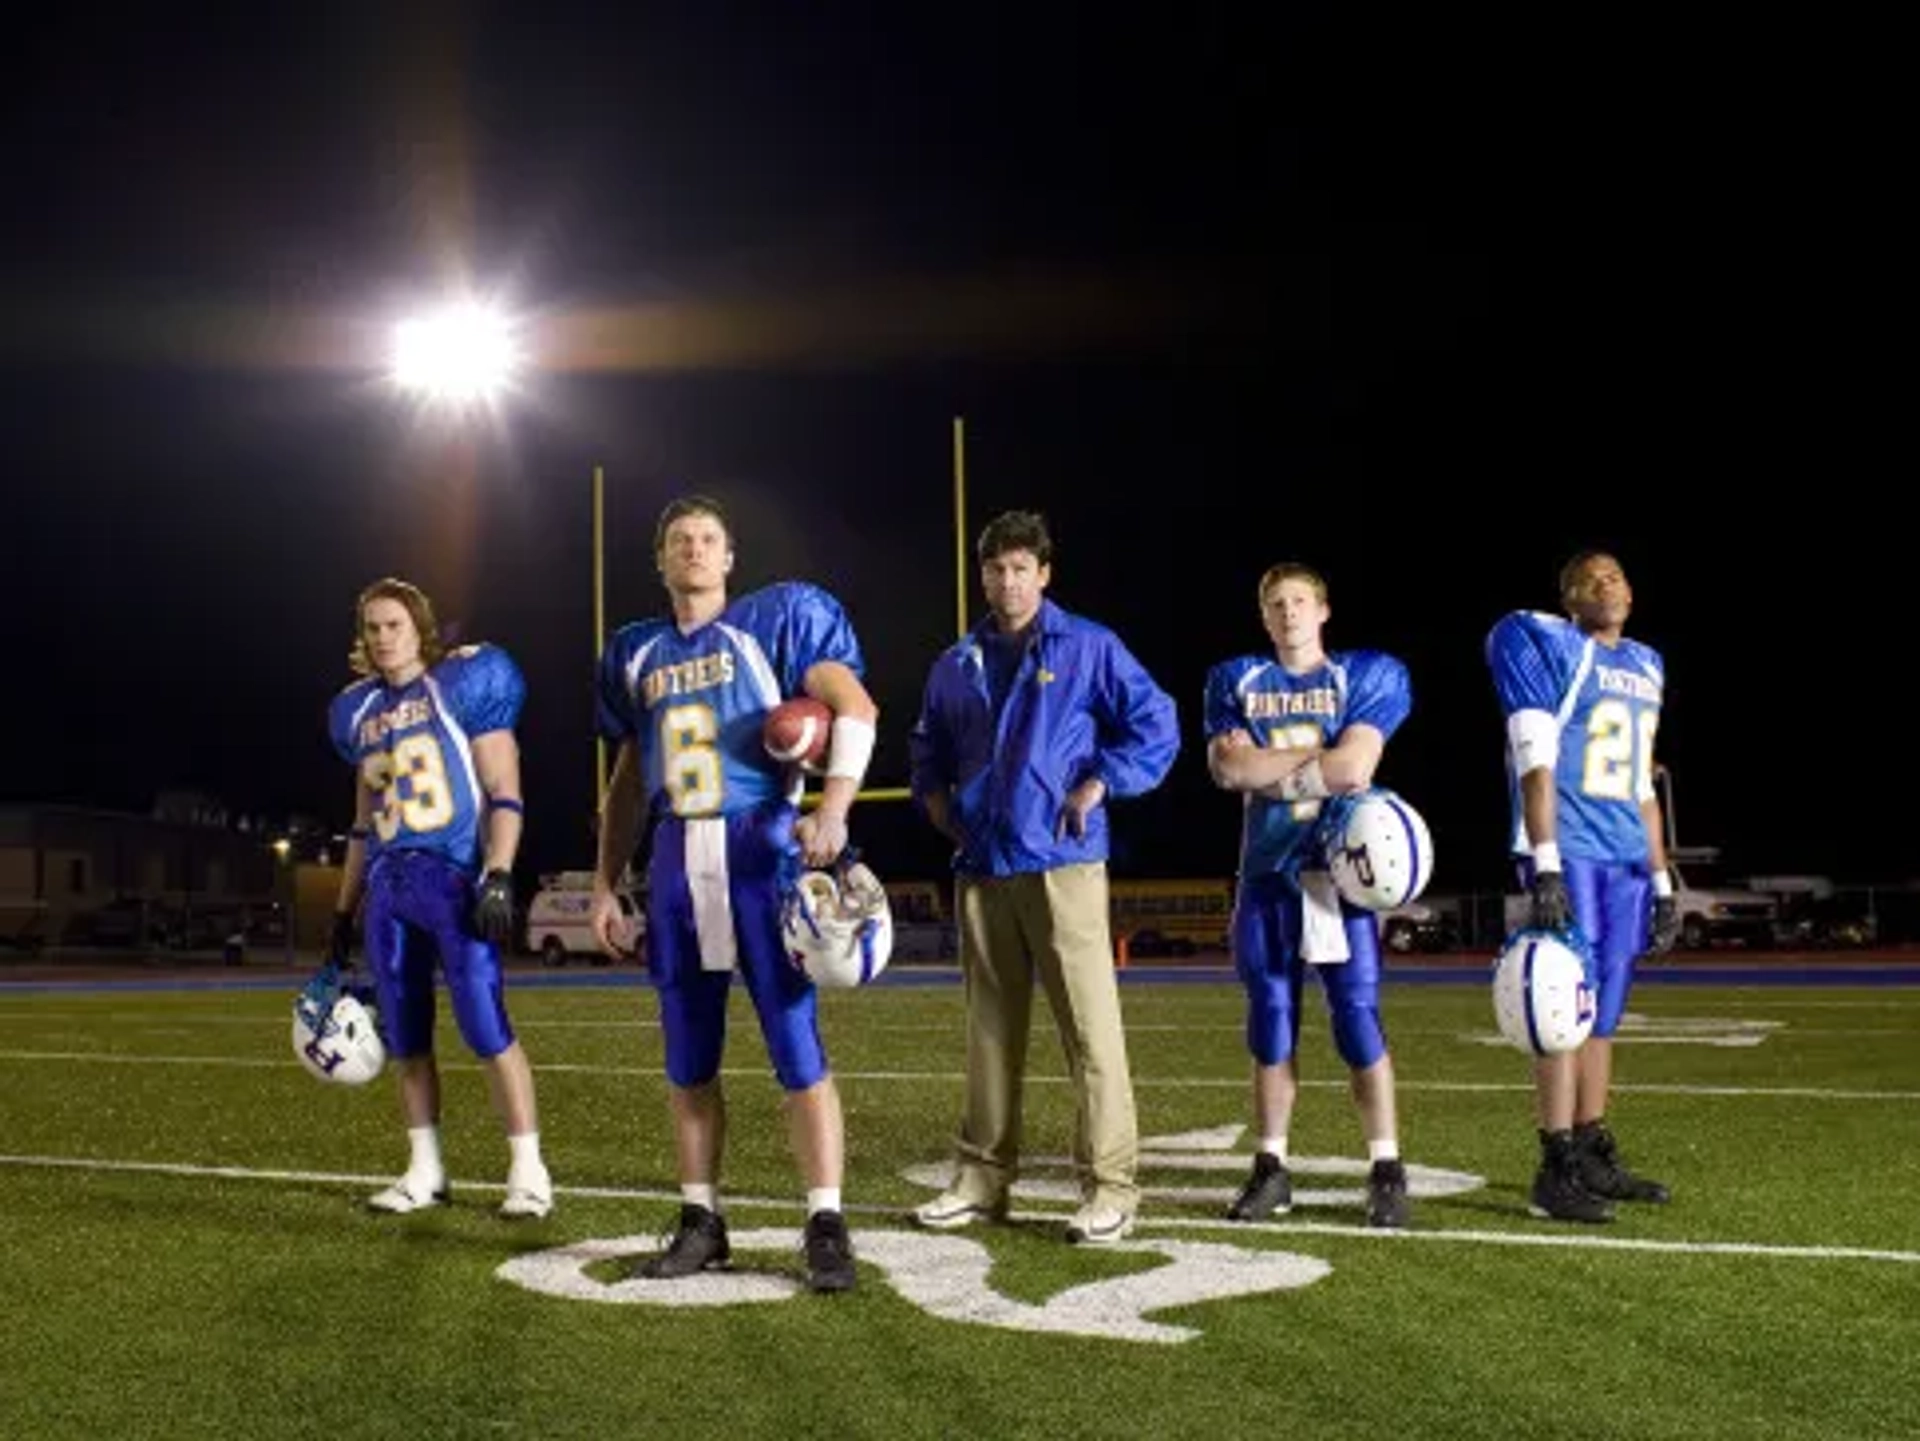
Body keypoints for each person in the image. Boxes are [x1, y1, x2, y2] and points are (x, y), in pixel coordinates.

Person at [590, 494, 878, 1293]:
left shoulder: (775, 623)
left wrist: (834, 808)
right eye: (678, 538)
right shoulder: (634, 653)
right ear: (660, 558)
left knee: (795, 1045)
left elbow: (855, 705)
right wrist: (606, 881)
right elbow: (624, 782)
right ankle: (701, 1219)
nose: (693, 549)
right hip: (677, 854)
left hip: (761, 843)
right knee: (688, 1057)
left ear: (728, 557)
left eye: (707, 538)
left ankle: (825, 1219)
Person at [908, 510, 1178, 1245]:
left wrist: (1101, 783)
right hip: (982, 866)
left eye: (1021, 567)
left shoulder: (1088, 644)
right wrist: (937, 804)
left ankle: (1111, 1186)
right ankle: (982, 1178)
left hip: (1062, 862)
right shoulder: (956, 661)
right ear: (983, 574)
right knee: (989, 1035)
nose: (1007, 580)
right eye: (995, 568)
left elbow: (1157, 722)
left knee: (1091, 1034)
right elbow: (926, 744)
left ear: (1045, 572)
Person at [326, 577, 552, 1219]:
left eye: (393, 624)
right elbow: (363, 825)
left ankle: (529, 1171)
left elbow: (503, 789)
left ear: (419, 627)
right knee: (406, 1039)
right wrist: (344, 911)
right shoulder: (359, 715)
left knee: (487, 1029)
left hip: (453, 881)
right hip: (388, 891)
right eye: (371, 627)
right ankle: (425, 1169)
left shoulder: (461, 686)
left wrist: (501, 871)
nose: (382, 637)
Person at [1203, 563, 1415, 1230]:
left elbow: (1358, 767)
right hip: (1267, 873)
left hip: (1337, 878)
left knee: (1357, 1019)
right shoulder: (1236, 678)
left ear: (1323, 610)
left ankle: (1386, 1166)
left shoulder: (1362, 673)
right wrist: (1321, 761)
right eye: (1275, 603)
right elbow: (1228, 769)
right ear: (1263, 617)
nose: (1288, 612)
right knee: (1270, 1022)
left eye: (1298, 601)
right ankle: (1271, 1167)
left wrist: (1274, 773)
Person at [1486, 549, 1678, 1224]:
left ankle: (1594, 1145)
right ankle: (1555, 1162)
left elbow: (1641, 784)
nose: (1611, 585)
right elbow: (1535, 763)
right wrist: (1545, 863)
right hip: (1573, 853)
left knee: (1605, 1014)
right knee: (1561, 1009)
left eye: (1620, 574)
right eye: (1593, 579)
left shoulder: (1646, 664)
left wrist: (1662, 879)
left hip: (1626, 855)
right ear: (1569, 598)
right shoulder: (1551, 646)